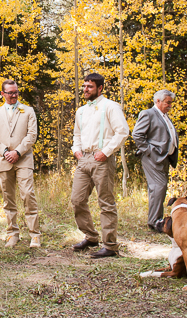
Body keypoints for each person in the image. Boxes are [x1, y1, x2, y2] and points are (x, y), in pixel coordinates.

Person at [70, 73, 130, 258]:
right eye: (84, 86)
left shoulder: (111, 107)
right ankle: (91, 236)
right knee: (77, 200)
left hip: (102, 159)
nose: (86, 90)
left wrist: (106, 151)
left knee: (105, 201)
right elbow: (77, 135)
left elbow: (123, 131)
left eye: (90, 86)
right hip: (84, 159)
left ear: (100, 88)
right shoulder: (81, 111)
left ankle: (110, 246)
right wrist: (76, 149)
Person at [0, 79, 41, 248]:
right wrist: (4, 152)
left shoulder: (28, 111)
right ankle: (12, 234)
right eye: (9, 92)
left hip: (23, 158)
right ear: (2, 94)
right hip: (3, 161)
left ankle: (35, 235)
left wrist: (17, 152)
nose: (13, 95)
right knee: (8, 198)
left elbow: (32, 135)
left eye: (16, 92)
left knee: (27, 194)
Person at [132, 89, 179, 231]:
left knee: (158, 188)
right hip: (153, 158)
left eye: (171, 103)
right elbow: (137, 135)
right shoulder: (148, 114)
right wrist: (150, 151)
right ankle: (155, 221)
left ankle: (156, 220)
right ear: (158, 101)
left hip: (164, 158)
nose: (170, 105)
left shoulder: (164, 116)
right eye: (167, 103)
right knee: (159, 187)